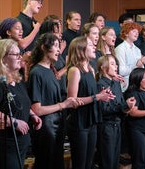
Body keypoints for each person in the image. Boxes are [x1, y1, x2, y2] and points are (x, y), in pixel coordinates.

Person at [0, 39, 42, 169]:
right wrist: (15, 122)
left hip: (19, 142)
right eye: (16, 54)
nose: (20, 58)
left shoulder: (16, 79)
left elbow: (21, 103)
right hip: (1, 145)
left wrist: (32, 115)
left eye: (20, 54)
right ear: (2, 57)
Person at [27, 33, 78, 169]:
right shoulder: (36, 73)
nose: (58, 50)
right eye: (55, 46)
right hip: (46, 128)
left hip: (57, 125)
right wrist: (63, 105)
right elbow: (36, 109)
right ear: (44, 48)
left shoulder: (50, 70)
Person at [66, 36, 114, 169]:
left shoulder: (91, 69)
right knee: (80, 163)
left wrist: (103, 94)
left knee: (89, 163)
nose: (94, 46)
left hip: (91, 121)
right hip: (79, 122)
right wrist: (98, 97)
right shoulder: (75, 70)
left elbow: (92, 93)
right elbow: (72, 101)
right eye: (89, 44)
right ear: (81, 49)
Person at [95, 54, 135, 169]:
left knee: (115, 161)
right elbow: (104, 109)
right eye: (112, 64)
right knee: (107, 161)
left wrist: (127, 107)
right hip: (107, 127)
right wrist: (124, 106)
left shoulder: (116, 83)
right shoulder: (101, 85)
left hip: (117, 125)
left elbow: (120, 103)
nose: (116, 66)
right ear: (103, 67)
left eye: (116, 64)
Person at [115, 22, 145, 91]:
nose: (137, 33)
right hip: (126, 86)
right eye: (134, 31)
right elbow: (121, 71)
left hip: (137, 85)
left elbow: (140, 68)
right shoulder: (120, 49)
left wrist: (142, 63)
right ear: (126, 33)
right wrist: (136, 66)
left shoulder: (137, 50)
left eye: (137, 32)